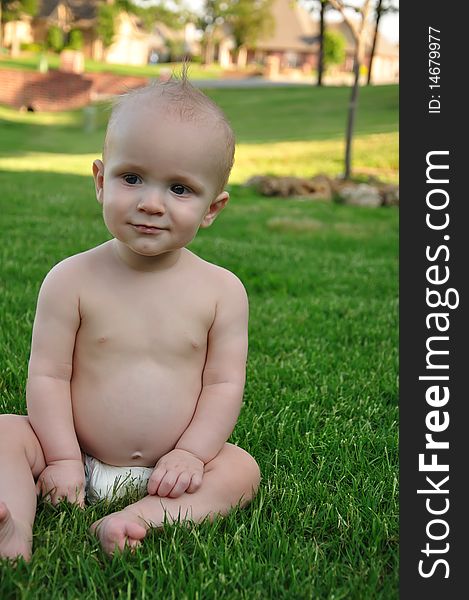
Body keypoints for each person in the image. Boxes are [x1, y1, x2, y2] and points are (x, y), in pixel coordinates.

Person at [0, 74, 261, 560]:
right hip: (75, 452)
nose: (150, 203)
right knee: (5, 432)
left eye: (180, 189)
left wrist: (191, 454)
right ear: (102, 180)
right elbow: (49, 375)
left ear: (212, 208)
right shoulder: (70, 279)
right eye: (132, 178)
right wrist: (59, 457)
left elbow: (223, 385)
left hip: (172, 467)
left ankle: (136, 518)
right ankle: (13, 529)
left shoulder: (222, 292)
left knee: (241, 469)